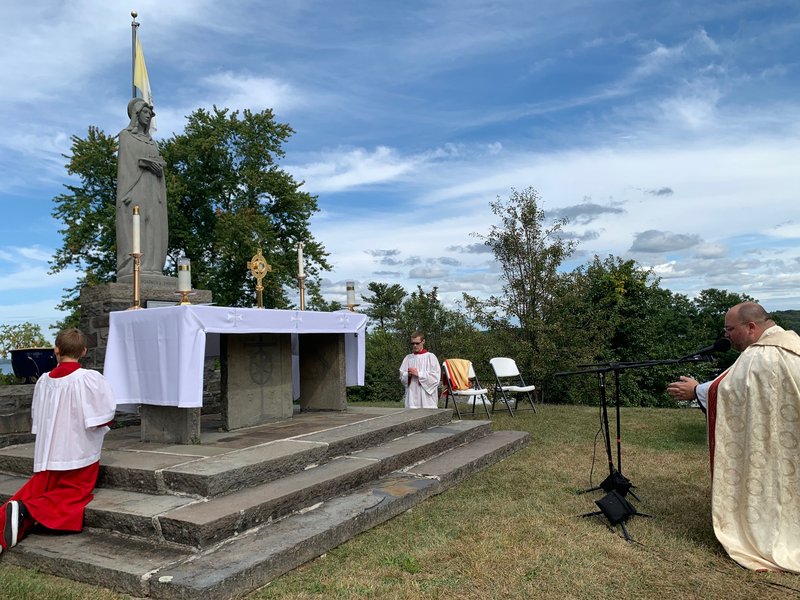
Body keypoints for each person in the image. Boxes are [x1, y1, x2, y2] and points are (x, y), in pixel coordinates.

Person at [672, 302, 800, 573]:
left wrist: (695, 390)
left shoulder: (760, 356)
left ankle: (768, 532)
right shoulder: (794, 345)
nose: (726, 335)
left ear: (751, 327)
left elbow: (727, 390)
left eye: (730, 329)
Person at [0, 328, 116, 554]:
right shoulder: (89, 379)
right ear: (84, 351)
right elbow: (103, 415)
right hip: (79, 452)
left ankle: (10, 520)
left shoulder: (44, 381)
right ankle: (25, 510)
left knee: (34, 490)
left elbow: (38, 416)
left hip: (49, 453)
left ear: (56, 350)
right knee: (73, 494)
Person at [116, 97, 168, 281]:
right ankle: (136, 267)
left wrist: (159, 170)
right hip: (135, 187)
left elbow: (159, 165)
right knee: (138, 224)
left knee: (154, 225)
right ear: (136, 114)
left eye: (150, 113)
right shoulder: (126, 136)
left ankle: (153, 267)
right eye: (145, 112)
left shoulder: (152, 142)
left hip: (153, 187)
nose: (148, 116)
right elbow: (126, 164)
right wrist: (143, 164)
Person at [399, 332, 441, 409]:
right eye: (412, 343)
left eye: (417, 343)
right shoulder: (408, 358)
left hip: (426, 397)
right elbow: (402, 377)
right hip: (412, 396)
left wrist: (419, 374)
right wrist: (408, 375)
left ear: (423, 341)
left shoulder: (430, 357)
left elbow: (435, 378)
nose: (415, 345)